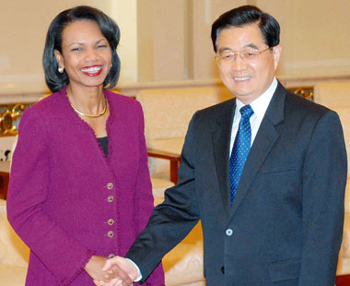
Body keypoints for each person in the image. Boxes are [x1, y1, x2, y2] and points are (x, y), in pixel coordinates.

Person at [101, 5, 348, 286]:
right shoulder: (206, 124)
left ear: (275, 54)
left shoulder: (315, 125)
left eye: (250, 53)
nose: (238, 65)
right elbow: (180, 207)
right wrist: (134, 263)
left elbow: (322, 234)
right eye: (227, 55)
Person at [6, 5, 164, 286]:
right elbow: (24, 212)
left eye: (100, 46)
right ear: (59, 59)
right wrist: (88, 263)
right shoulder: (40, 120)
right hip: (64, 275)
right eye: (77, 49)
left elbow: (142, 201)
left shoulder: (131, 112)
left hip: (127, 275)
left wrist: (144, 270)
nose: (91, 57)